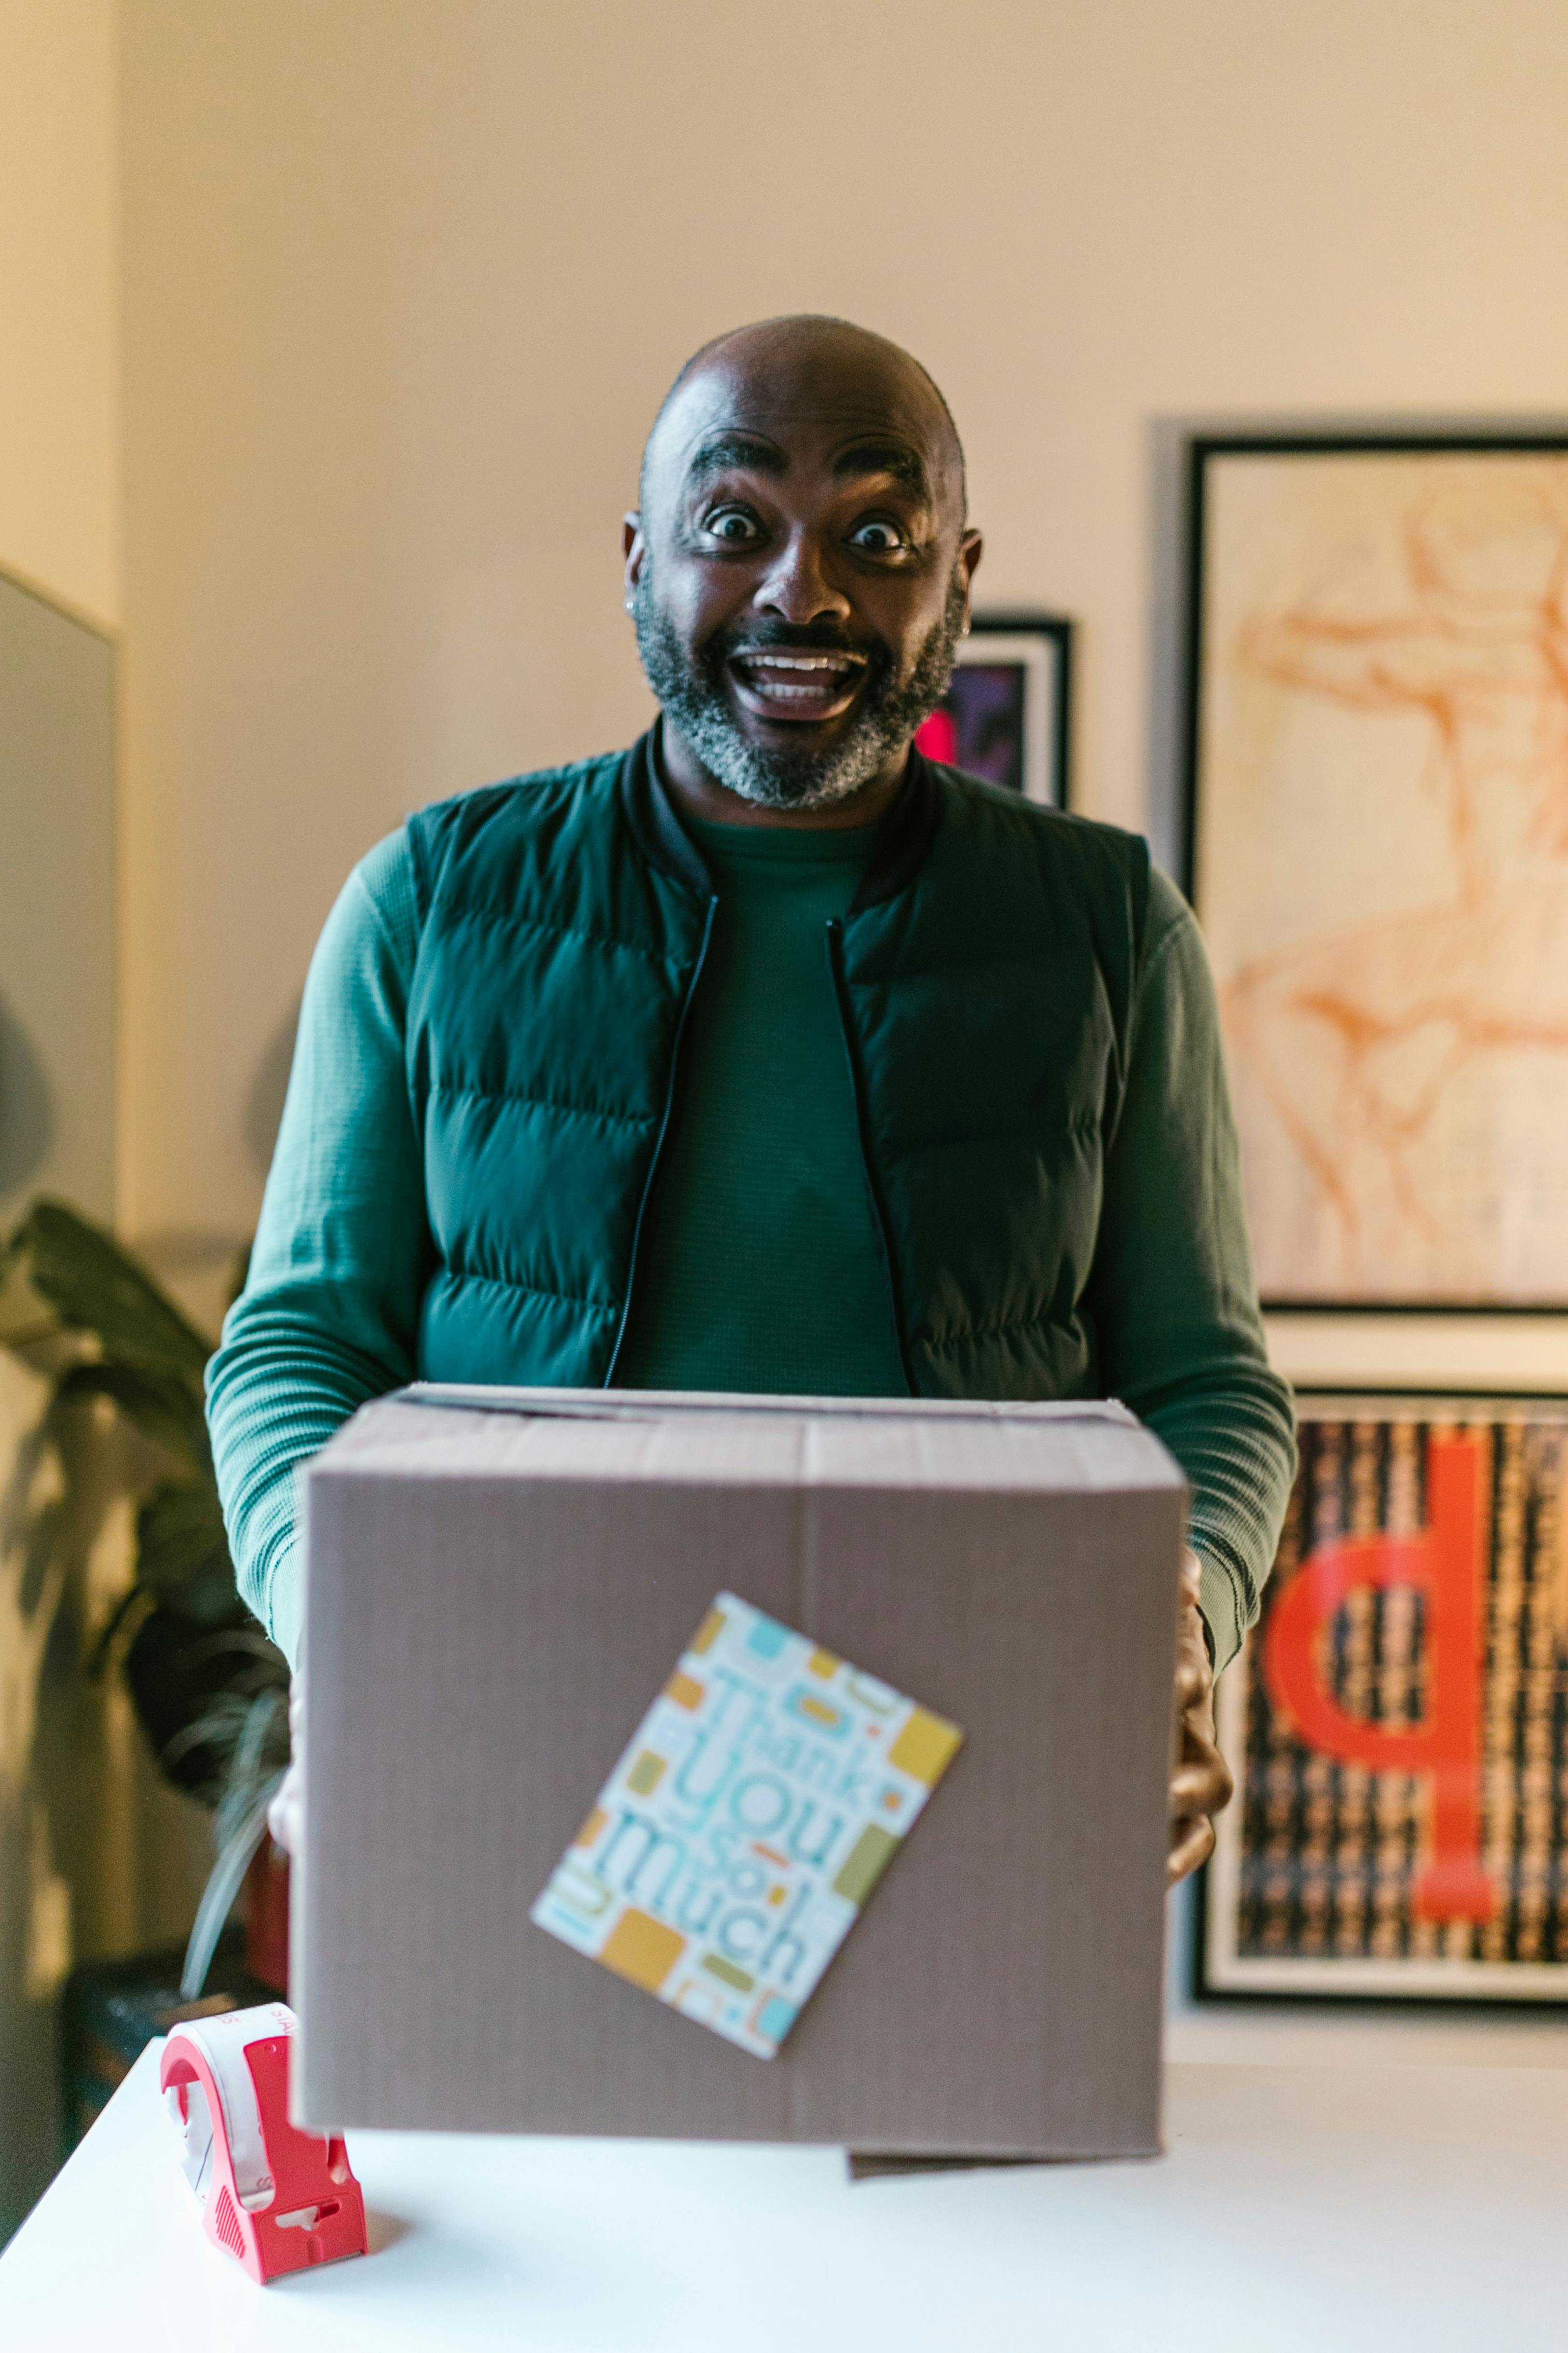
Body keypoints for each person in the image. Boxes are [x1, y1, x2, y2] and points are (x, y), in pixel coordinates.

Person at [209, 314, 1296, 1883]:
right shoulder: (430, 904)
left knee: (950, 2137)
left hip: (968, 1763)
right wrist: (344, 1620)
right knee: (526, 2134)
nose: (807, 588)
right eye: (736, 527)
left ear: (959, 579)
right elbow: (297, 1345)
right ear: (642, 560)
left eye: (879, 533)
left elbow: (1208, 1382)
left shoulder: (1109, 931)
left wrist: (1182, 1606)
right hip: (515, 1734)